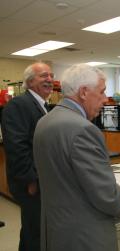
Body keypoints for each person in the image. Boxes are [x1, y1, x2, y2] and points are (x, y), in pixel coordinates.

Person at [33, 64, 120, 251]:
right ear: (84, 92)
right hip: (86, 235)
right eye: (102, 92)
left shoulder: (44, 121)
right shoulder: (83, 129)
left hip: (56, 229)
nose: (105, 99)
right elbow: (106, 195)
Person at [1, 62, 53, 251]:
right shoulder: (19, 105)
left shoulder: (43, 106)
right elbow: (16, 147)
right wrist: (30, 181)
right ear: (30, 81)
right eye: (43, 76)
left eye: (51, 75)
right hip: (32, 184)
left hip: (41, 181)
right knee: (34, 233)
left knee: (35, 231)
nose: (49, 80)